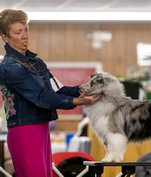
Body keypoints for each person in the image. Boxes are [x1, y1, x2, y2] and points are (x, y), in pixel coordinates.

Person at [0, 9, 101, 177]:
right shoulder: (9, 67)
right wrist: (75, 102)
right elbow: (41, 97)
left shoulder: (36, 62)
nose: (25, 35)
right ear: (5, 37)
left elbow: (57, 89)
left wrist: (84, 88)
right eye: (18, 32)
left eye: (26, 29)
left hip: (41, 127)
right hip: (24, 131)